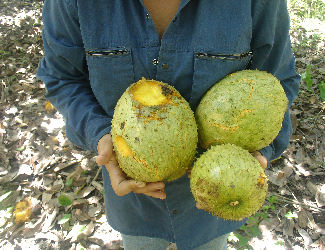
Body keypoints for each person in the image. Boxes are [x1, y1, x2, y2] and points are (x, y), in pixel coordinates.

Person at [37, 0, 300, 249]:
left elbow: (278, 80)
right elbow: (62, 78)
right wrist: (101, 136)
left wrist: (259, 151)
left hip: (216, 194)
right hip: (134, 203)